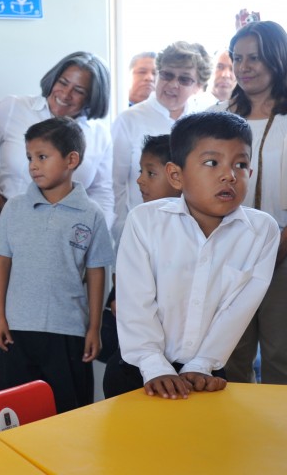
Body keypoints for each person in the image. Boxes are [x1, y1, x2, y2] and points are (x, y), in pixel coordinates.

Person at [109, 112, 278, 399]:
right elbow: (135, 302)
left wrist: (202, 363)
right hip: (139, 371)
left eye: (240, 164)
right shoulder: (145, 221)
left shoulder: (261, 231)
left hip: (204, 373)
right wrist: (154, 366)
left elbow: (238, 309)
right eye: (212, 163)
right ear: (176, 175)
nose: (229, 175)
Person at [0, 118, 111, 413]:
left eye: (42, 157)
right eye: (30, 157)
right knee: (15, 411)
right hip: (18, 329)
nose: (33, 166)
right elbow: (1, 262)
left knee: (68, 410)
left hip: (68, 330)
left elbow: (96, 272)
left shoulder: (91, 214)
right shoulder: (15, 208)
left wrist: (94, 327)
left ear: (71, 160)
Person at [0, 52, 113, 278]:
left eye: (78, 90)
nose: (65, 94)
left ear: (93, 97)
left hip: (69, 238)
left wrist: (96, 235)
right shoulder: (15, 108)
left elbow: (102, 191)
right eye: (63, 83)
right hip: (11, 226)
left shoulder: (99, 134)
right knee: (12, 307)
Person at [217, 20, 287, 385]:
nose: (243, 67)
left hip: (283, 251)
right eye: (237, 58)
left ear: (277, 59)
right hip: (229, 250)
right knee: (229, 355)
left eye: (255, 58)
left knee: (280, 355)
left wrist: (276, 247)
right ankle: (229, 439)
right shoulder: (220, 116)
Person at [101, 134, 179, 394]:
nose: (140, 180)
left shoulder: (193, 231)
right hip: (133, 362)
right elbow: (119, 301)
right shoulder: (138, 223)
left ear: (177, 176)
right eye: (140, 171)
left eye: (150, 172)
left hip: (179, 358)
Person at [111, 41, 211, 244]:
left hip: (193, 234)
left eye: (184, 79)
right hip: (140, 230)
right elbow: (115, 183)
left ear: (198, 86)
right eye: (167, 75)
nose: (173, 84)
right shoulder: (129, 120)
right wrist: (121, 230)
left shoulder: (204, 120)